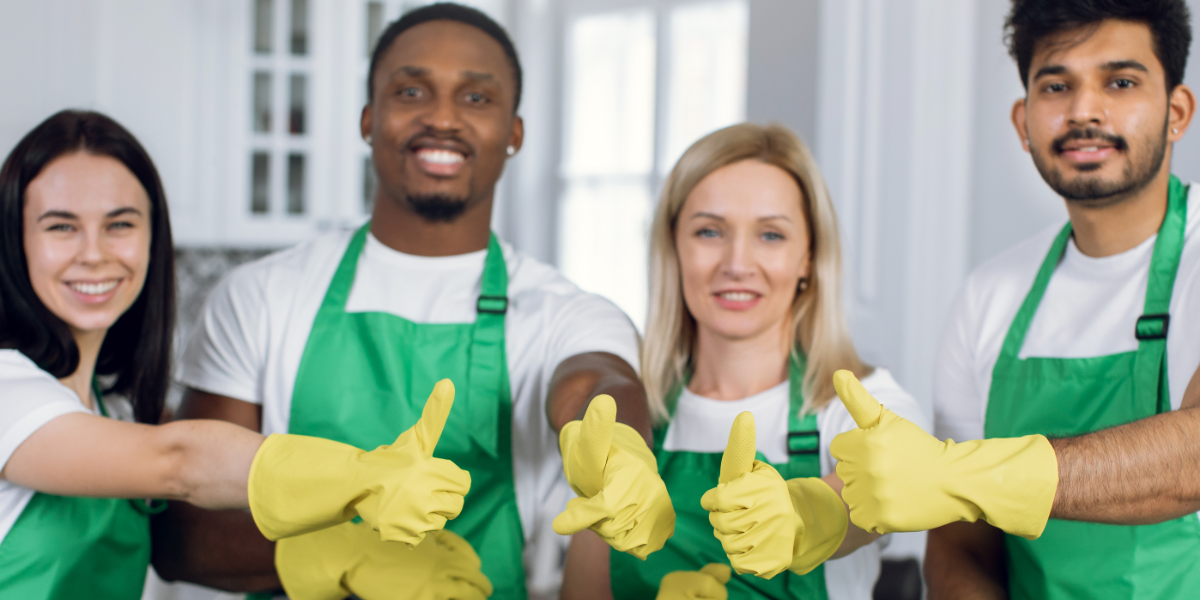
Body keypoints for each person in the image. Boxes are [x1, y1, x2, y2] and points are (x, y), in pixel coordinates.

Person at [152, 4, 669, 599]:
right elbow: (183, 537)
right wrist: (338, 555)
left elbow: (595, 385)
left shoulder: (563, 312)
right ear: (369, 119)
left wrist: (619, 448)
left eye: (476, 98)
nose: (442, 118)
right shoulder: (260, 297)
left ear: (514, 133)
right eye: (412, 90)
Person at [0, 110, 491, 599]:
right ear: (14, 240)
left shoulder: (118, 407)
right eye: (61, 227)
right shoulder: (6, 390)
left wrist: (342, 550)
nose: (94, 253)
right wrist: (359, 476)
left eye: (120, 224)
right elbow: (179, 462)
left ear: (152, 237)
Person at [822, 1, 1200, 598]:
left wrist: (964, 474)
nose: (1084, 111)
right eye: (1057, 85)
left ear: (1176, 111)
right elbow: (958, 546)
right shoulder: (988, 298)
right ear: (1023, 122)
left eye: (1120, 81)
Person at [560, 123, 929, 600]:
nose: (737, 262)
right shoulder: (627, 415)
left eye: (771, 235)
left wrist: (803, 517)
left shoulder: (861, 405)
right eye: (709, 231)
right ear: (674, 246)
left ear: (808, 257)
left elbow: (884, 489)